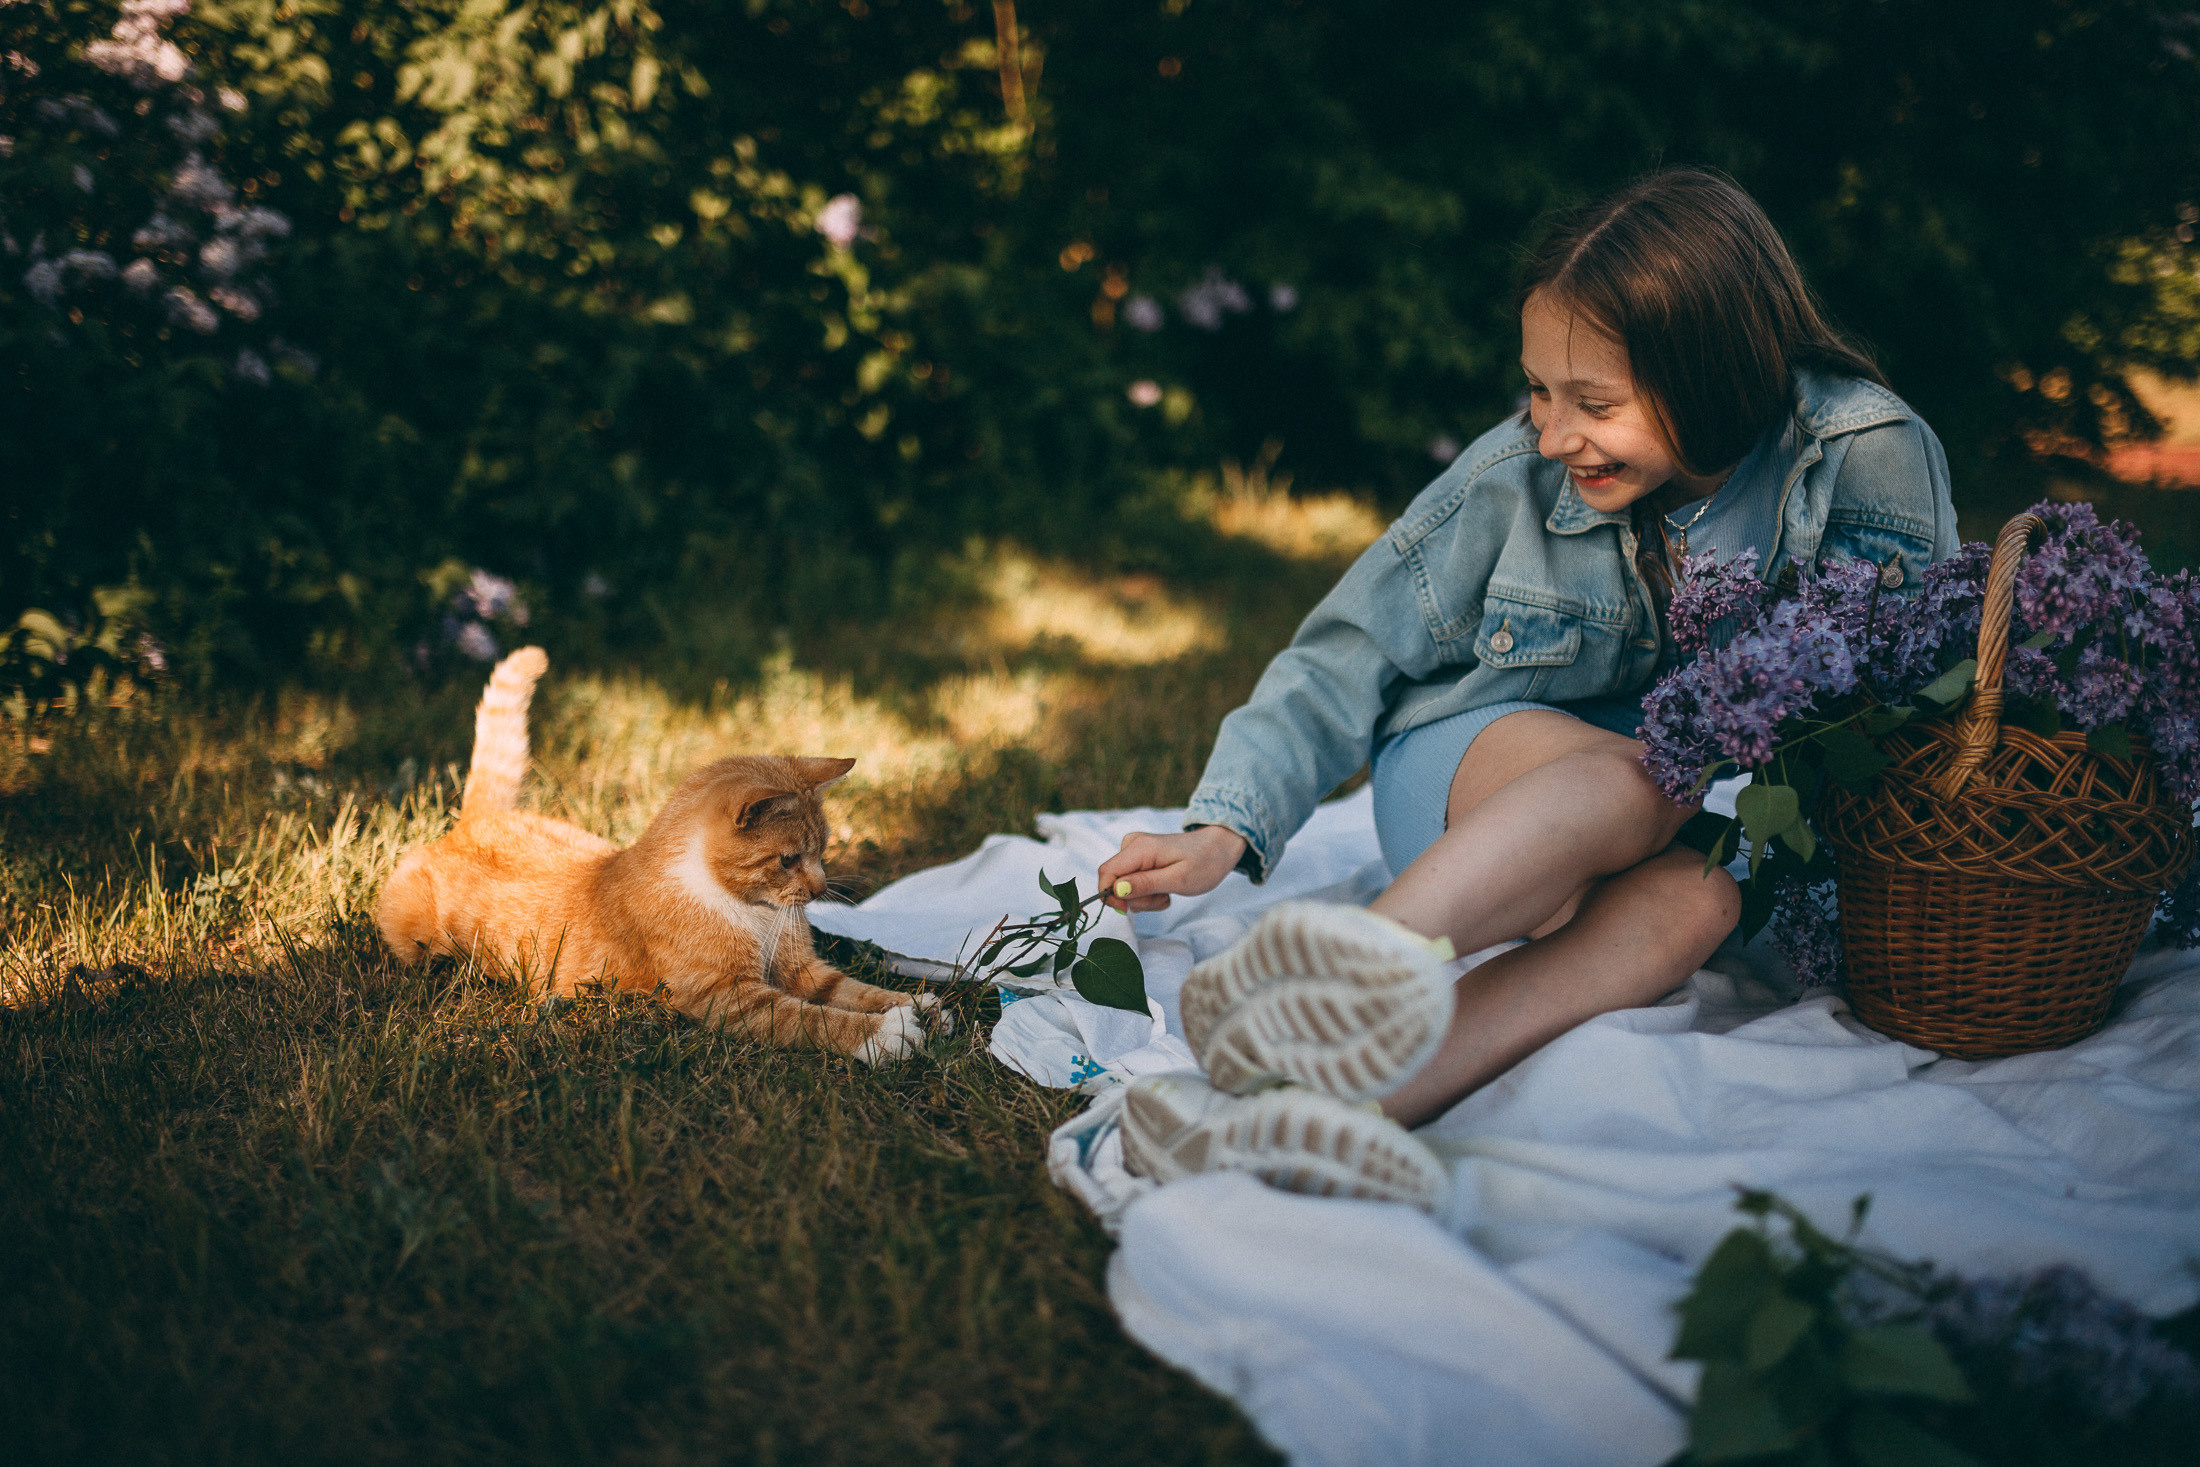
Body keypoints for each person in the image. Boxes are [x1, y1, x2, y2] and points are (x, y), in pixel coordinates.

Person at [1094, 168, 1960, 1210]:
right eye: (1540, 391)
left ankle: (1311, 1114)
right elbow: (1345, 653)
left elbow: (1918, 690)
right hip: (1474, 779)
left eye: (1592, 402)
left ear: (1714, 369)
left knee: (1697, 902)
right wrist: (1221, 830)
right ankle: (1337, 975)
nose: (1552, 435)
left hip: (1662, 834)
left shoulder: (1859, 457)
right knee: (1653, 771)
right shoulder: (1514, 476)